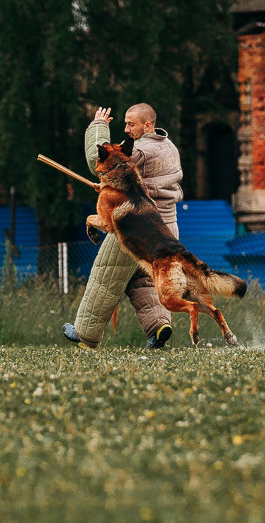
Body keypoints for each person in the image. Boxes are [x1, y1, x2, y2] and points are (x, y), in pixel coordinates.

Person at [63, 103, 183, 350]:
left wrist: (98, 127)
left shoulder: (141, 150)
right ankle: (158, 326)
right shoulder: (168, 146)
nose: (126, 129)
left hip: (136, 224)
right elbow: (136, 180)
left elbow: (97, 158)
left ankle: (85, 334)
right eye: (125, 123)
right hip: (167, 224)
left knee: (105, 277)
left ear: (147, 125)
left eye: (131, 124)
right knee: (142, 279)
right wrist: (110, 185)